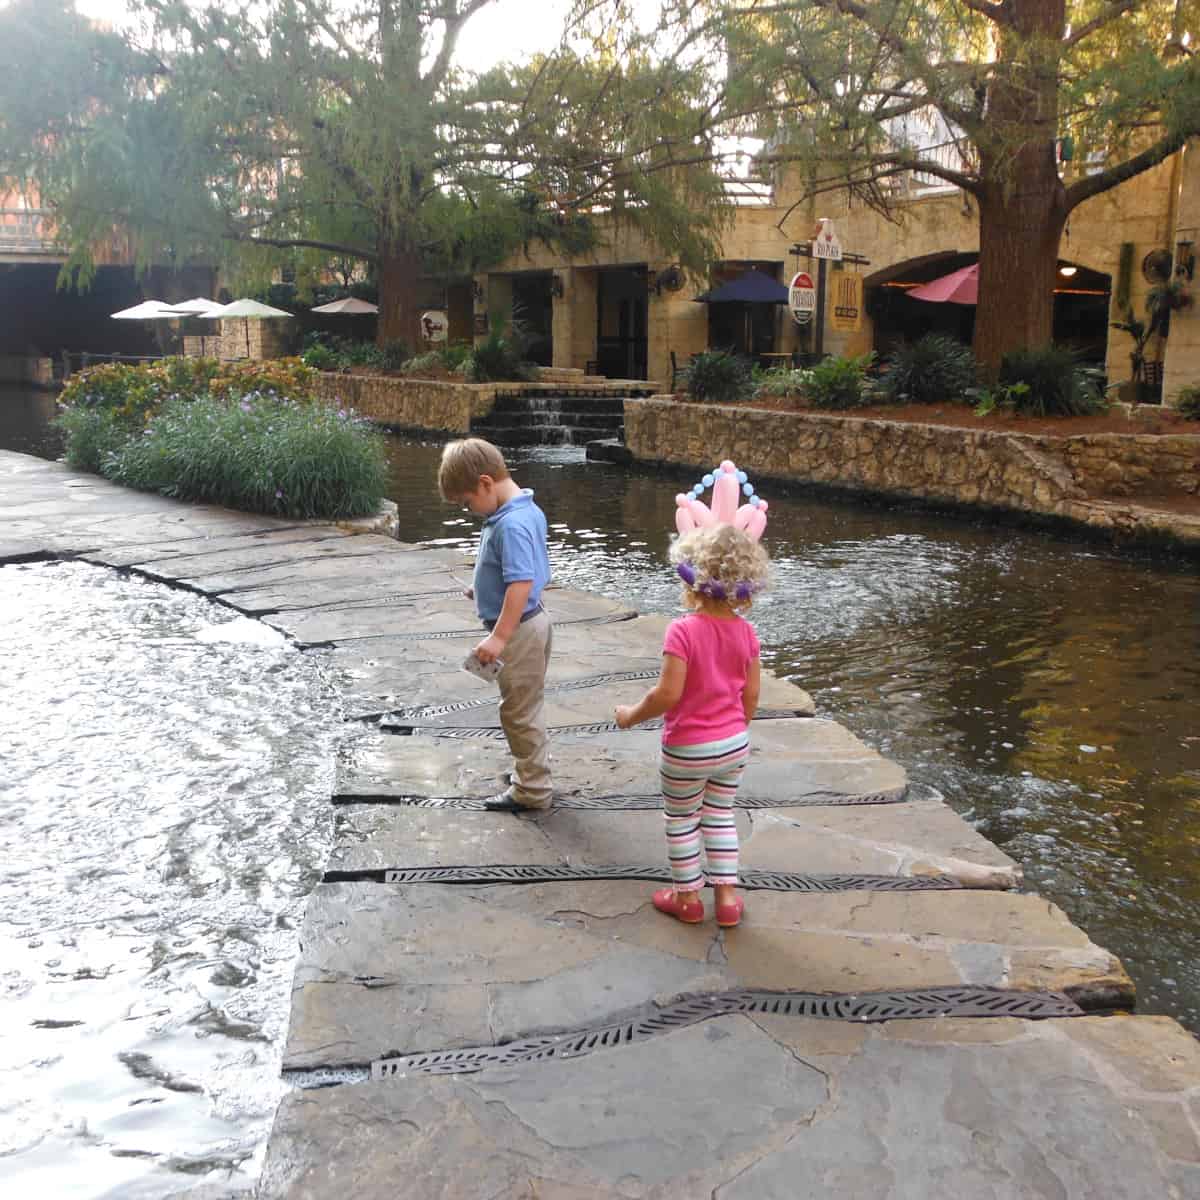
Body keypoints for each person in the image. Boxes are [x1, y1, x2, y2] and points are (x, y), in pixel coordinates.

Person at [615, 516, 768, 929]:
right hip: (734, 743)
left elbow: (667, 694)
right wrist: (736, 727)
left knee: (682, 821)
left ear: (691, 577)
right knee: (719, 815)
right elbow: (751, 695)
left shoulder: (682, 631)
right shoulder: (747, 634)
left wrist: (631, 715)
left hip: (687, 748)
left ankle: (687, 900)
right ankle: (728, 899)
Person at [438, 438, 554, 812]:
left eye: (467, 502)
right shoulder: (523, 511)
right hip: (530, 623)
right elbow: (519, 572)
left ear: (486, 483)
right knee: (524, 707)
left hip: (518, 631)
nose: (469, 510)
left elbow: (521, 583)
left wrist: (499, 636)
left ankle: (532, 790)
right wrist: (482, 588)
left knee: (518, 713)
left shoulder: (511, 524)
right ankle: (528, 769)